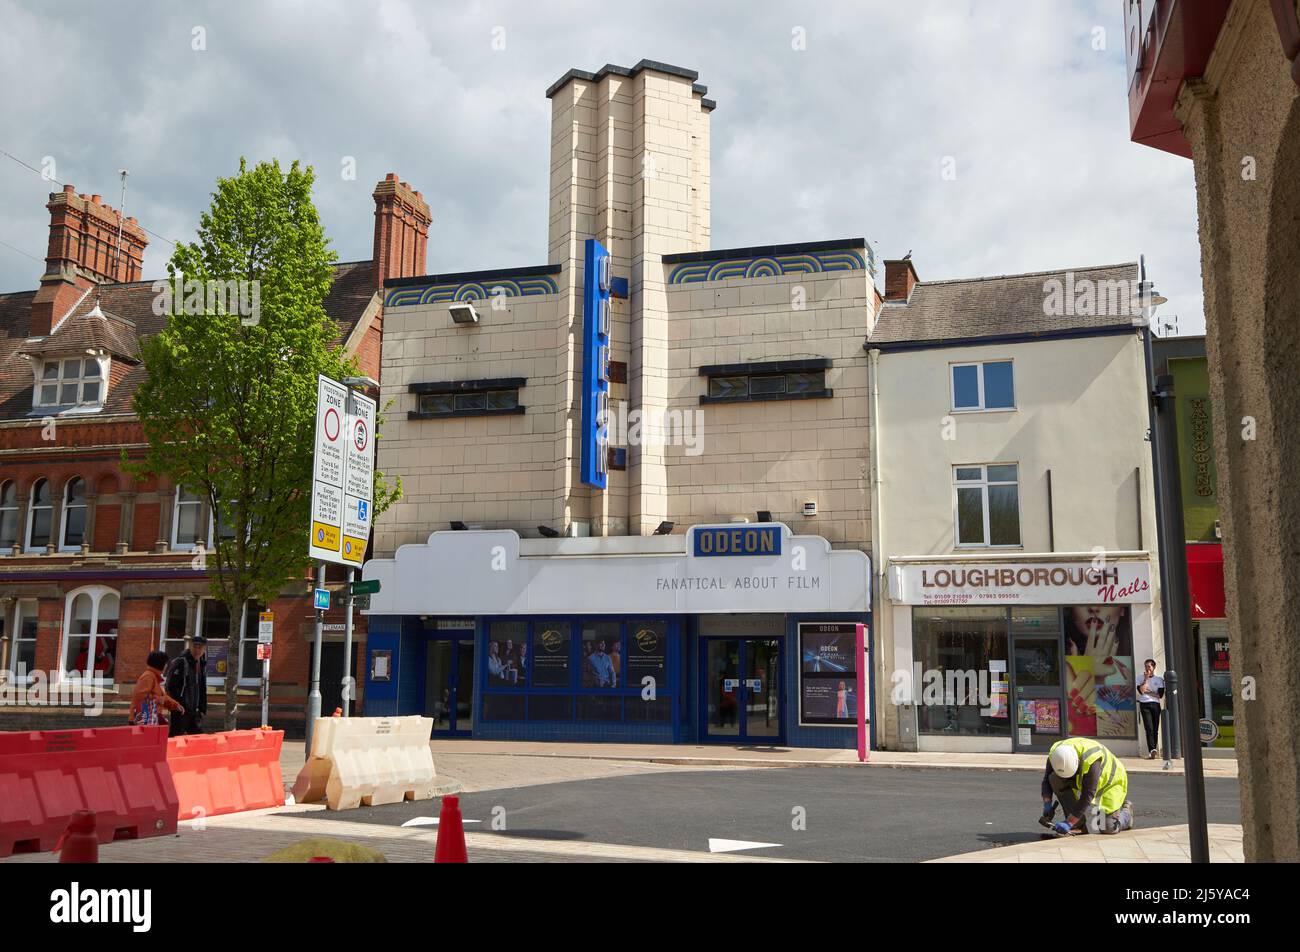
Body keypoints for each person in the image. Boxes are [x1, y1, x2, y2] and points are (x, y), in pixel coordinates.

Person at [1039, 737, 1133, 835]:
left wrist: (1069, 822)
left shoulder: (1092, 761)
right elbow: (1046, 780)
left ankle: (1126, 815)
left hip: (1110, 782)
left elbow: (1087, 795)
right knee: (1055, 779)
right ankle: (1079, 826)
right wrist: (1047, 803)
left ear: (1077, 762)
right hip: (1084, 777)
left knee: (1106, 827)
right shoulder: (1056, 755)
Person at [164, 636, 208, 737]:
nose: (197, 650)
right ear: (190, 647)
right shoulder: (181, 662)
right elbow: (170, 686)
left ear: (204, 649)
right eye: (194, 647)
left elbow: (201, 687)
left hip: (195, 711)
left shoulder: (201, 664)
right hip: (181, 710)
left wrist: (202, 707)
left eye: (200, 647)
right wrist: (178, 705)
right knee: (176, 737)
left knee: (198, 739)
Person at [130, 650, 184, 726]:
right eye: (166, 663)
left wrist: (175, 705)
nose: (166, 666)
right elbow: (140, 697)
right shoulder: (148, 677)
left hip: (150, 718)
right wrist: (158, 699)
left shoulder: (153, 677)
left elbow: (162, 696)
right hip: (144, 720)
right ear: (160, 664)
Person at [1136, 659, 1165, 759]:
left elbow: (1160, 695)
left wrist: (1149, 692)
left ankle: (1154, 749)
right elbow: (1142, 691)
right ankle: (1151, 750)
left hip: (1155, 705)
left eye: (1149, 666)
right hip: (1144, 704)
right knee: (1148, 727)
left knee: (1155, 729)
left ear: (1153, 667)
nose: (1147, 668)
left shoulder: (1159, 680)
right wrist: (1146, 679)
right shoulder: (1140, 678)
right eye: (1145, 666)